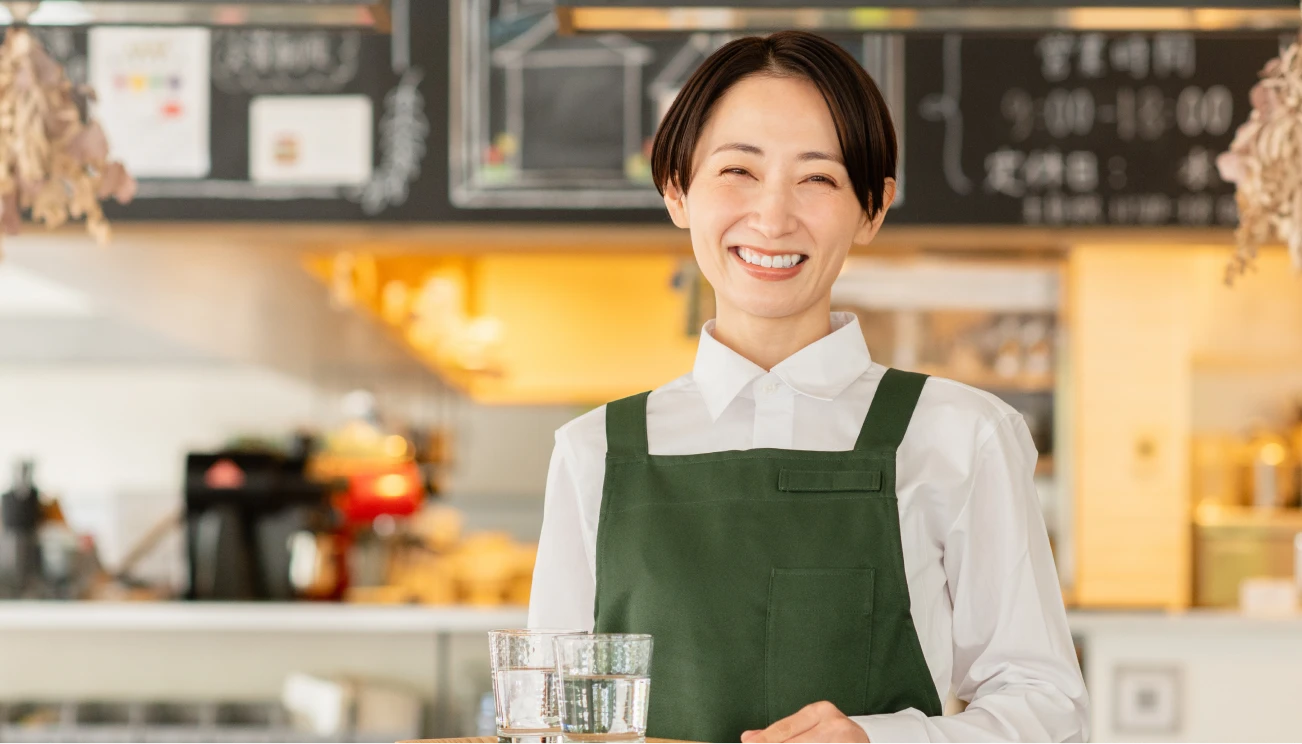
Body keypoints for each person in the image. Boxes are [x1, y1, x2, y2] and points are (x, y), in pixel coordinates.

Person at [528, 30, 1088, 744]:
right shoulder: (591, 452)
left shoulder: (961, 435)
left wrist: (880, 740)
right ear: (677, 190)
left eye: (818, 178)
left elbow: (1046, 705)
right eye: (738, 170)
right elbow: (550, 721)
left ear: (872, 208)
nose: (772, 216)